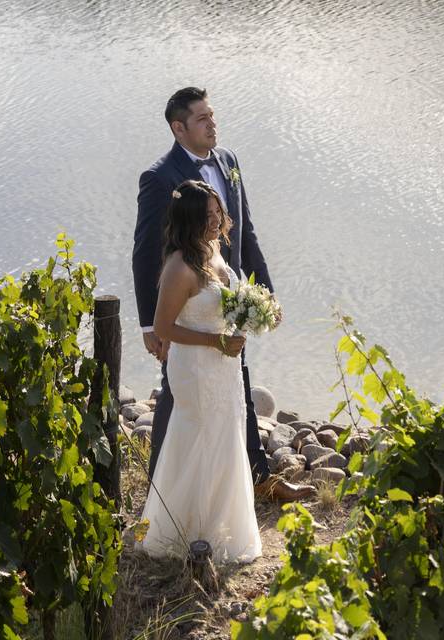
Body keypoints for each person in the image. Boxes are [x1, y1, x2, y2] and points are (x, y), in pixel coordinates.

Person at [132, 86, 315, 502]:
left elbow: (244, 234)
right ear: (179, 129)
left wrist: (265, 295)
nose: (213, 123)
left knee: (236, 383)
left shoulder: (229, 162)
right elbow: (145, 255)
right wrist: (150, 324)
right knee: (175, 398)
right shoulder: (160, 179)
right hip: (186, 308)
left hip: (226, 299)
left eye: (212, 115)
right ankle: (162, 491)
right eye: (202, 119)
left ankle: (253, 480)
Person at [138, 180, 261, 561]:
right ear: (189, 219)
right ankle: (183, 532)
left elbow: (224, 302)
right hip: (196, 367)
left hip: (223, 366)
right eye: (207, 216)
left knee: (226, 436)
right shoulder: (179, 266)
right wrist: (214, 343)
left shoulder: (212, 252)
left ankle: (220, 525)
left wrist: (257, 310)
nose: (215, 221)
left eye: (217, 213)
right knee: (198, 439)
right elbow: (162, 328)